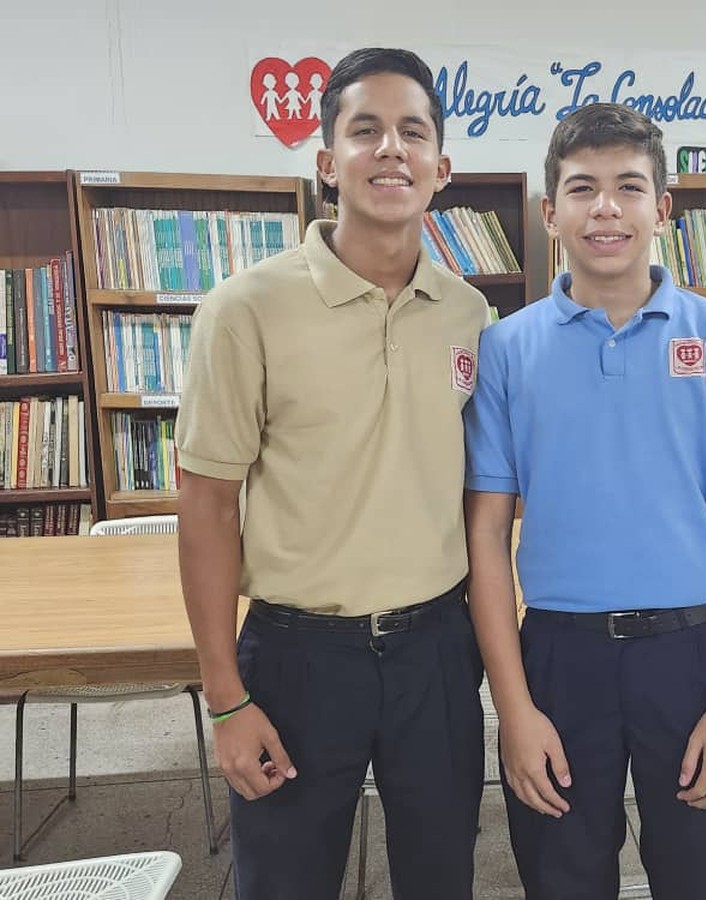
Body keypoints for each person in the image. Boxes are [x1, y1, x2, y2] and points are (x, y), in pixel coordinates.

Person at [176, 47, 490, 899]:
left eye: (413, 132)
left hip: (436, 650)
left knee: (442, 877)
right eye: (366, 130)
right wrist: (226, 699)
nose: (391, 149)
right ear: (326, 162)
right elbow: (207, 507)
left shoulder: (469, 315)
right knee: (286, 882)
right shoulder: (245, 309)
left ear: (441, 168)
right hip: (298, 657)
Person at [464, 102, 706, 900]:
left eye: (629, 187)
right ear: (550, 213)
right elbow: (486, 536)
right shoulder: (506, 349)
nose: (605, 207)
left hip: (694, 653)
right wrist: (514, 709)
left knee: (704, 878)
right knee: (562, 878)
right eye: (582, 188)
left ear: (662, 208)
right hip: (558, 658)